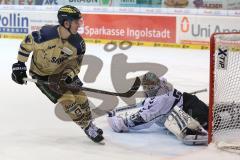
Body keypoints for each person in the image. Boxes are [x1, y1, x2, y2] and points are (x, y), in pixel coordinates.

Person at [11, 5, 104, 143]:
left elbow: (75, 66)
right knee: (67, 101)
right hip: (41, 74)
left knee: (81, 97)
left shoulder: (78, 44)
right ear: (66, 23)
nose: (79, 24)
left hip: (62, 72)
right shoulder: (46, 35)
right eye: (76, 21)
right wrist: (19, 64)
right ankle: (87, 127)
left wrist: (68, 76)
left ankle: (89, 123)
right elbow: (26, 44)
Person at [107, 72, 209, 145]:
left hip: (190, 111)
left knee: (207, 125)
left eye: (151, 88)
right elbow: (150, 104)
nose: (148, 91)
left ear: (157, 85)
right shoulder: (161, 84)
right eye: (146, 88)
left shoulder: (160, 99)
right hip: (187, 103)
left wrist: (120, 124)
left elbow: (143, 118)